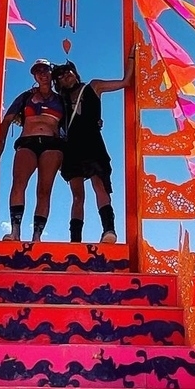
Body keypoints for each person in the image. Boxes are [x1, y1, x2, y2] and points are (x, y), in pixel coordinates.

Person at [52, 47, 135, 244]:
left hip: (92, 144)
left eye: (67, 71)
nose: (65, 76)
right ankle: (75, 241)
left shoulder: (93, 87)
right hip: (71, 148)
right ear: (58, 83)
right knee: (77, 196)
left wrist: (132, 56)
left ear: (75, 72)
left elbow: (125, 82)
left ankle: (109, 231)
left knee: (100, 186)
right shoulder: (59, 101)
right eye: (60, 76)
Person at [0, 58, 65, 242]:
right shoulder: (25, 97)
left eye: (45, 70)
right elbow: (6, 120)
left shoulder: (61, 99)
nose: (42, 74)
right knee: (18, 183)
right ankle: (15, 232)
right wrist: (1, 143)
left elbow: (74, 123)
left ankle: (36, 236)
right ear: (34, 76)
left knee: (44, 190)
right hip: (27, 141)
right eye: (38, 71)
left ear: (50, 73)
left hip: (52, 144)